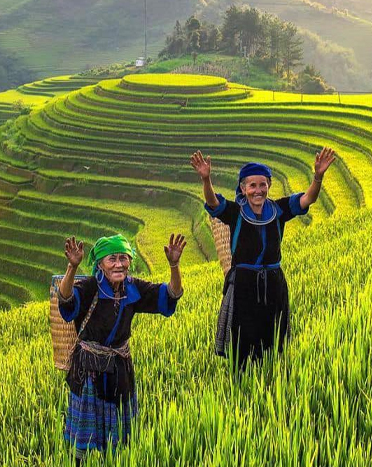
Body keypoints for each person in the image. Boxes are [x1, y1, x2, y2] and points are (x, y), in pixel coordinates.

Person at [190, 148, 336, 370]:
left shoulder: (279, 209)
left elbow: (309, 199)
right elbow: (213, 203)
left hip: (274, 282)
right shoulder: (235, 212)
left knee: (273, 336)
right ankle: (241, 382)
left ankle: (269, 377)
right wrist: (206, 178)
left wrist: (318, 177)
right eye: (252, 185)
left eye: (262, 185)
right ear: (243, 188)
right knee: (242, 337)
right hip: (244, 284)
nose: (258, 190)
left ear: (269, 186)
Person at [57, 233, 186, 461]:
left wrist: (174, 265)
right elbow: (66, 300)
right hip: (89, 370)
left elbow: (170, 295)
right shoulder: (90, 287)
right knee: (84, 439)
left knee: (118, 441)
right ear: (100, 264)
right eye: (112, 259)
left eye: (124, 258)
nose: (119, 264)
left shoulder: (133, 288)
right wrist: (72, 267)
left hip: (119, 370)